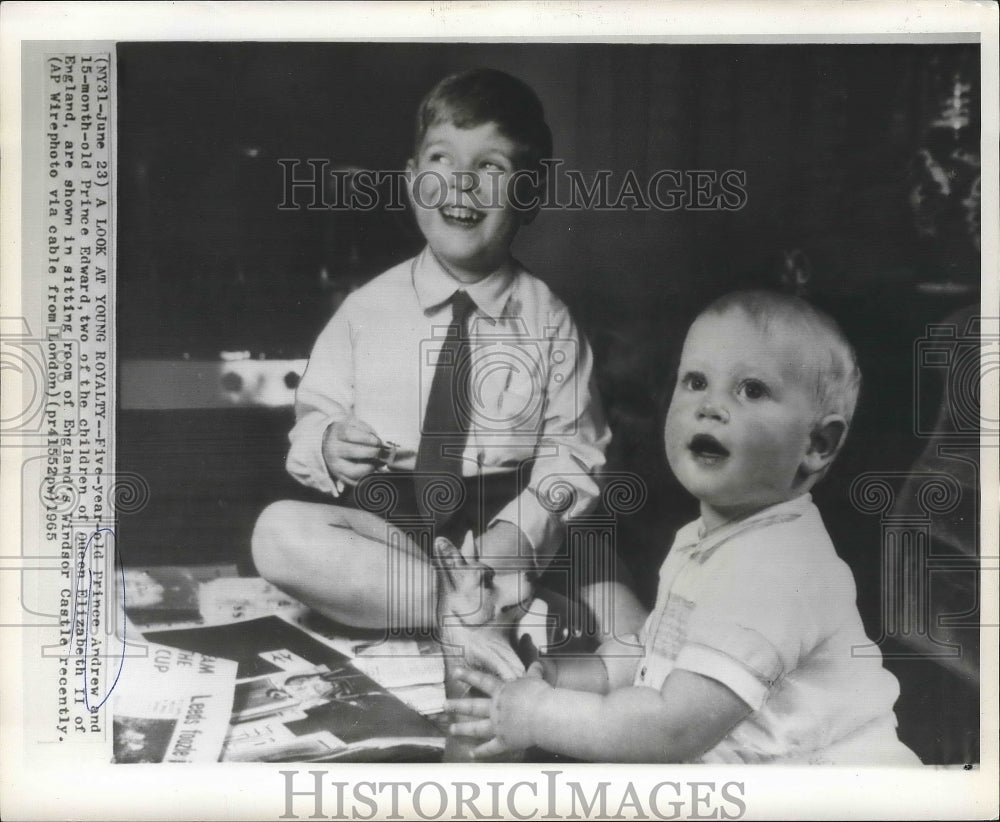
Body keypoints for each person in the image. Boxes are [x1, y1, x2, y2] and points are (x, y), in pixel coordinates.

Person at [251, 68, 644, 661]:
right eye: (442, 158)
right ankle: (466, 613)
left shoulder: (550, 320)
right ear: (413, 181)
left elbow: (574, 454)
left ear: (530, 194)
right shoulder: (366, 310)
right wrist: (328, 442)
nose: (461, 182)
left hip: (516, 530)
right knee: (277, 533)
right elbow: (314, 413)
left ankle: (509, 605)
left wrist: (515, 539)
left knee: (634, 635)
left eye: (491, 166)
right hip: (399, 531)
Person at [446, 290, 922, 765]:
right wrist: (553, 675)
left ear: (817, 443)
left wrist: (542, 716)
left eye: (751, 389)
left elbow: (671, 728)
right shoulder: (705, 540)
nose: (710, 406)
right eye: (695, 381)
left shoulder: (778, 570)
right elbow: (650, 656)